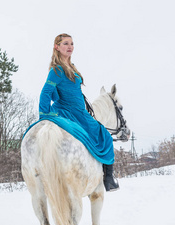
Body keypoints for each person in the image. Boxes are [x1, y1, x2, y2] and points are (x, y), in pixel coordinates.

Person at [39, 33, 119, 192]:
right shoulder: (57, 70)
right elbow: (45, 93)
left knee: (103, 135)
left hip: (80, 110)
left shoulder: (71, 67)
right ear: (57, 47)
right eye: (65, 43)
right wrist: (44, 115)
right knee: (105, 135)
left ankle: (107, 178)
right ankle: (108, 179)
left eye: (72, 43)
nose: (70, 46)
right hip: (70, 112)